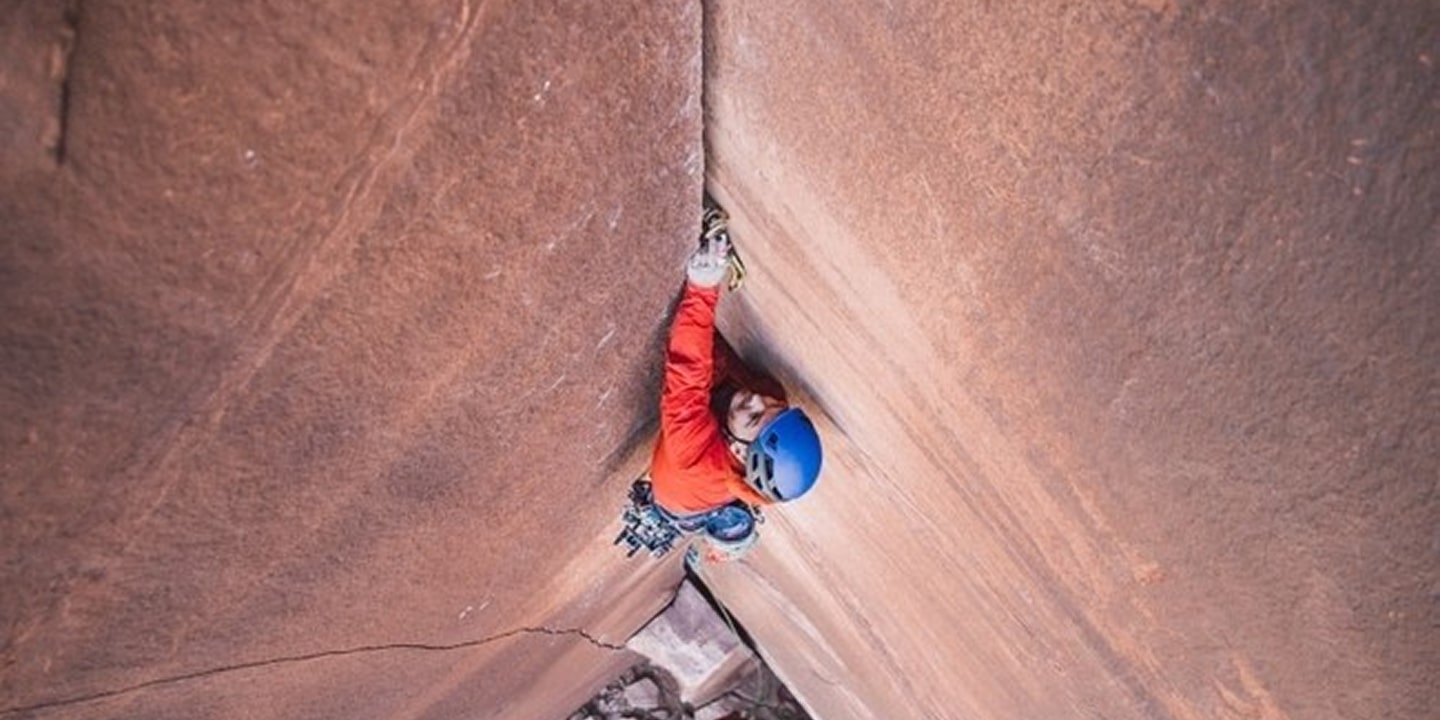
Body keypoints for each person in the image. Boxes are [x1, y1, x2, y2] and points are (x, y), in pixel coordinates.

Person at [643, 205, 823, 564]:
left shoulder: (690, 456)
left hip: (677, 497)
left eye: (756, 417)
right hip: (711, 491)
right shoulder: (767, 401)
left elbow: (687, 372)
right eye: (774, 409)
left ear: (741, 452)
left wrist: (703, 288)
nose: (758, 399)